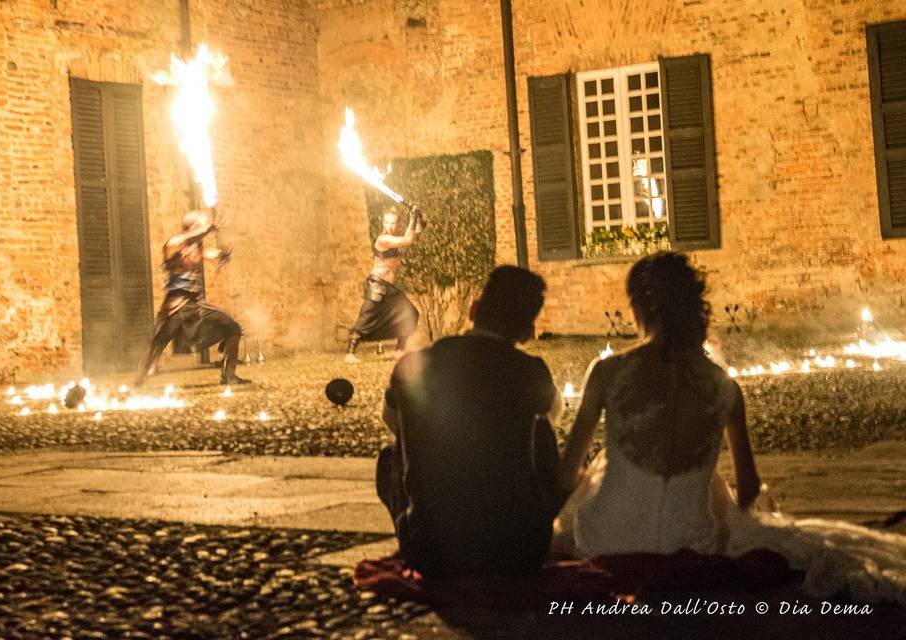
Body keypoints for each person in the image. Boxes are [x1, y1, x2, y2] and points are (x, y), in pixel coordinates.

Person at [555, 251, 906, 604]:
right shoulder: (724, 387)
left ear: (639, 308)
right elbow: (749, 488)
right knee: (711, 485)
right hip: (692, 544)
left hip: (607, 540)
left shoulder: (608, 373)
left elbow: (566, 475)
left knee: (602, 463)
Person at [376, 265, 566, 578]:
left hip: (431, 549)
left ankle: (415, 520)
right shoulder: (530, 371)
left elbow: (393, 422)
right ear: (525, 330)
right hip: (517, 550)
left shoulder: (413, 364)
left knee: (389, 456)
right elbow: (550, 425)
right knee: (541, 429)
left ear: (474, 309)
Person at [134, 210, 250, 387]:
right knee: (158, 342)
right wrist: (210, 227)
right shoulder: (173, 243)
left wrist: (224, 254)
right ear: (193, 227)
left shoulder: (196, 248)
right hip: (175, 305)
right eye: (201, 225)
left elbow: (211, 255)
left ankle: (229, 375)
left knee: (233, 328)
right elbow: (189, 239)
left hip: (194, 305)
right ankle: (139, 381)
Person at [345, 206, 423, 363]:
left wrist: (418, 219)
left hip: (390, 290)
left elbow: (415, 233)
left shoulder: (394, 239)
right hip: (377, 286)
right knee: (365, 319)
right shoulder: (383, 240)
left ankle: (399, 351)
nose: (390, 226)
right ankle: (350, 354)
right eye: (387, 223)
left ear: (398, 223)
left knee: (411, 314)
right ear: (383, 223)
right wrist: (413, 219)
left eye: (393, 223)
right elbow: (407, 240)